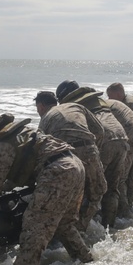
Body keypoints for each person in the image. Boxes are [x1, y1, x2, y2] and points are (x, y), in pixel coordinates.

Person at [0, 112, 93, 265]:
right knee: (64, 223)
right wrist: (8, 186)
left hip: (57, 171)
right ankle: (86, 259)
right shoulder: (19, 132)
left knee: (35, 223)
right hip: (75, 165)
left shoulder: (0, 145)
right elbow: (26, 160)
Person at [56, 80, 130, 230]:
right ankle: (110, 226)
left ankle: (83, 228)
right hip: (121, 136)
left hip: (105, 138)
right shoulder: (94, 97)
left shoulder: (73, 105)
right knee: (112, 187)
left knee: (92, 189)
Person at [34, 90, 107, 231]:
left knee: (70, 197)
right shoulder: (75, 106)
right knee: (98, 190)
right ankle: (85, 227)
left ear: (41, 106)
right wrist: (93, 150)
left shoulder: (45, 119)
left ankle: (71, 229)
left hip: (67, 158)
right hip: (89, 149)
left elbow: (41, 148)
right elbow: (99, 130)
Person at [105, 95, 133, 218]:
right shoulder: (112, 103)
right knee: (131, 173)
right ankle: (129, 206)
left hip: (130, 134)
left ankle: (124, 212)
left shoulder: (100, 108)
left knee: (120, 176)